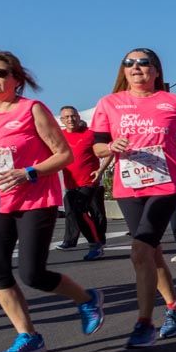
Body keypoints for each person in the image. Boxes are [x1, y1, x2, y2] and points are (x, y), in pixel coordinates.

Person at [0, 51, 104, 352]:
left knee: (32, 273)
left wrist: (28, 172)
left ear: (16, 80)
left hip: (35, 199)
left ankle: (86, 298)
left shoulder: (30, 110)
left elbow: (64, 155)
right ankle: (28, 335)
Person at [92, 47, 176, 348]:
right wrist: (112, 146)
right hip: (129, 187)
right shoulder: (109, 103)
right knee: (151, 253)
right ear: (123, 70)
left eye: (144, 63)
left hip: (166, 184)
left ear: (156, 70)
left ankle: (144, 323)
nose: (137, 68)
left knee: (140, 250)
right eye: (130, 63)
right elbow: (98, 147)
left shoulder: (174, 102)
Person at [57, 106, 109, 260]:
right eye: (66, 117)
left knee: (83, 211)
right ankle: (88, 241)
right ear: (62, 120)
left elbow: (110, 151)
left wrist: (100, 170)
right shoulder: (59, 136)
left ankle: (96, 244)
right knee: (74, 213)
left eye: (73, 116)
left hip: (89, 181)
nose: (70, 119)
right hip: (71, 183)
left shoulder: (90, 134)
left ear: (79, 117)